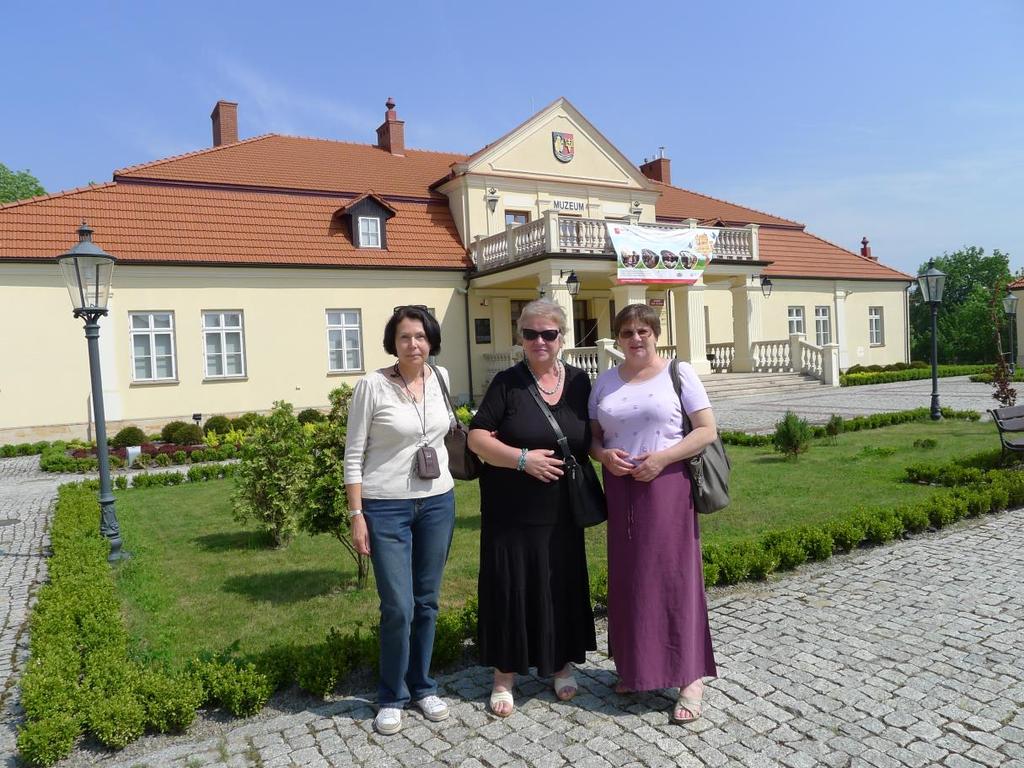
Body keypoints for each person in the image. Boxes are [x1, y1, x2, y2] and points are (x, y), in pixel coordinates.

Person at [588, 303, 718, 723]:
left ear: (656, 334)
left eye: (643, 330)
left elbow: (706, 430)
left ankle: (689, 678)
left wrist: (662, 459)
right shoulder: (604, 382)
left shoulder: (678, 374)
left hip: (667, 485)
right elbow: (592, 439)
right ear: (618, 339)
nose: (636, 338)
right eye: (627, 332)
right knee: (630, 580)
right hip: (622, 486)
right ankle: (636, 668)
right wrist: (604, 455)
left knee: (674, 576)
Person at [468, 299, 597, 717]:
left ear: (562, 337)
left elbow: (591, 436)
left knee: (559, 584)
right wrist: (524, 459)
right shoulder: (507, 383)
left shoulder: (580, 382)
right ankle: (505, 676)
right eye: (530, 334)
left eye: (548, 334)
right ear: (520, 337)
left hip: (562, 512)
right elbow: (477, 438)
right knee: (513, 587)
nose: (539, 341)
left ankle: (560, 665)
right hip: (512, 512)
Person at [344, 305, 456, 735]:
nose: (415, 344)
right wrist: (357, 514)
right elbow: (353, 454)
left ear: (431, 342)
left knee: (427, 601)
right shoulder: (372, 386)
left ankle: (423, 685)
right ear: (393, 341)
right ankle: (391, 695)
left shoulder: (441, 378)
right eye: (406, 337)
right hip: (385, 505)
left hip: (437, 502)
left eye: (422, 336)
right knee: (398, 606)